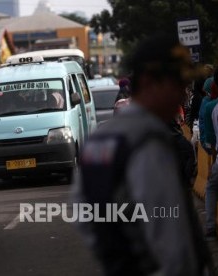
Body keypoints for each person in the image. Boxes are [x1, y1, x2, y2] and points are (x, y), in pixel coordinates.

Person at [74, 33, 211, 276]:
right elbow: (172, 239)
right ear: (149, 81)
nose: (182, 94)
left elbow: (85, 215)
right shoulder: (148, 142)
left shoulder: (100, 141)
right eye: (177, 84)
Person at [204, 66, 218, 240]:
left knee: (211, 188)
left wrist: (212, 164)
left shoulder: (212, 108)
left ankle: (210, 228)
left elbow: (212, 140)